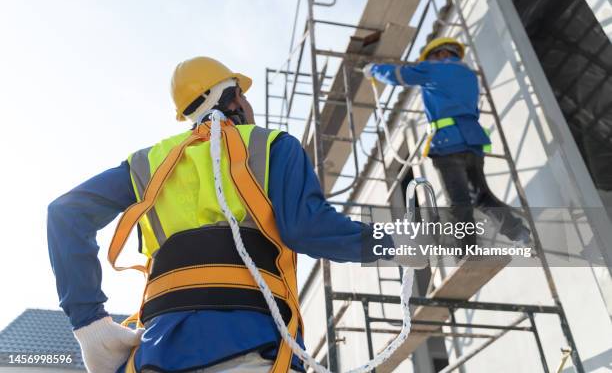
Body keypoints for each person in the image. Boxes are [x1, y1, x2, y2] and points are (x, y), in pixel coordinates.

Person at [47, 56, 398, 373]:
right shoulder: (272, 145)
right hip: (255, 349)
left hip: (157, 356)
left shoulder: (147, 164)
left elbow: (66, 213)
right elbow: (311, 230)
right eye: (243, 95)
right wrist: (411, 242)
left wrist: (89, 324)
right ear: (232, 98)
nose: (247, 104)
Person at [363, 38, 530, 249]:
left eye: (431, 57)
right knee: (482, 197)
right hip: (473, 142)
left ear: (442, 54)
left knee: (459, 201)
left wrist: (375, 69)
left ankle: (467, 252)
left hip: (447, 142)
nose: (428, 61)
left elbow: (399, 76)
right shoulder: (469, 76)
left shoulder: (434, 70)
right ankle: (520, 233)